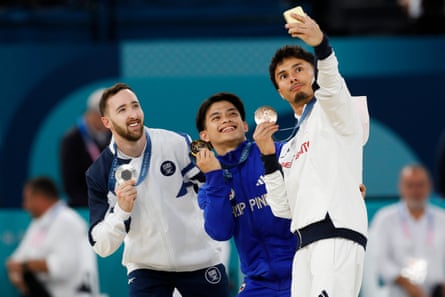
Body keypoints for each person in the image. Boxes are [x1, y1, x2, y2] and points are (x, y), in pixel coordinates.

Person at [253, 11, 368, 297]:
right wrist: (268, 158)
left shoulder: (336, 111)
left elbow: (331, 88)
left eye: (299, 69)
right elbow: (283, 208)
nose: (292, 78)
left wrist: (321, 46)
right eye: (284, 76)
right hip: (304, 246)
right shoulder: (290, 145)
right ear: (279, 91)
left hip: (336, 233)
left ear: (313, 73)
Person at [85, 82, 230, 297]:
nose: (133, 114)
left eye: (135, 106)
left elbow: (213, 189)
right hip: (146, 270)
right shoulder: (100, 172)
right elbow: (101, 246)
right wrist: (122, 212)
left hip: (199, 262)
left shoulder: (177, 143)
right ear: (107, 122)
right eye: (122, 110)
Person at [194, 92, 297, 296]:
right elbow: (220, 232)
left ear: (245, 125)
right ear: (204, 136)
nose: (226, 119)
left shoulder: (277, 153)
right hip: (258, 284)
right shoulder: (210, 184)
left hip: (304, 271)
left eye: (232, 114)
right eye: (216, 117)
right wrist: (214, 176)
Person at [5, 176, 99, 297]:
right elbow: (16, 259)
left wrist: (25, 266)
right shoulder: (38, 223)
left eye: (27, 199)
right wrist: (18, 272)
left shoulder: (68, 221)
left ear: (39, 198)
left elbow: (64, 267)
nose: (25, 206)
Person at [364, 164, 445, 297]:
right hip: (398, 291)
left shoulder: (442, 218)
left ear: (429, 186)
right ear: (401, 187)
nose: (415, 191)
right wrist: (406, 284)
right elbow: (380, 259)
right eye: (410, 185)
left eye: (420, 185)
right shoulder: (385, 218)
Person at [60, 87, 111, 207]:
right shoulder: (71, 139)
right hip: (85, 207)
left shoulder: (114, 135)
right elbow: (71, 185)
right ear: (92, 114)